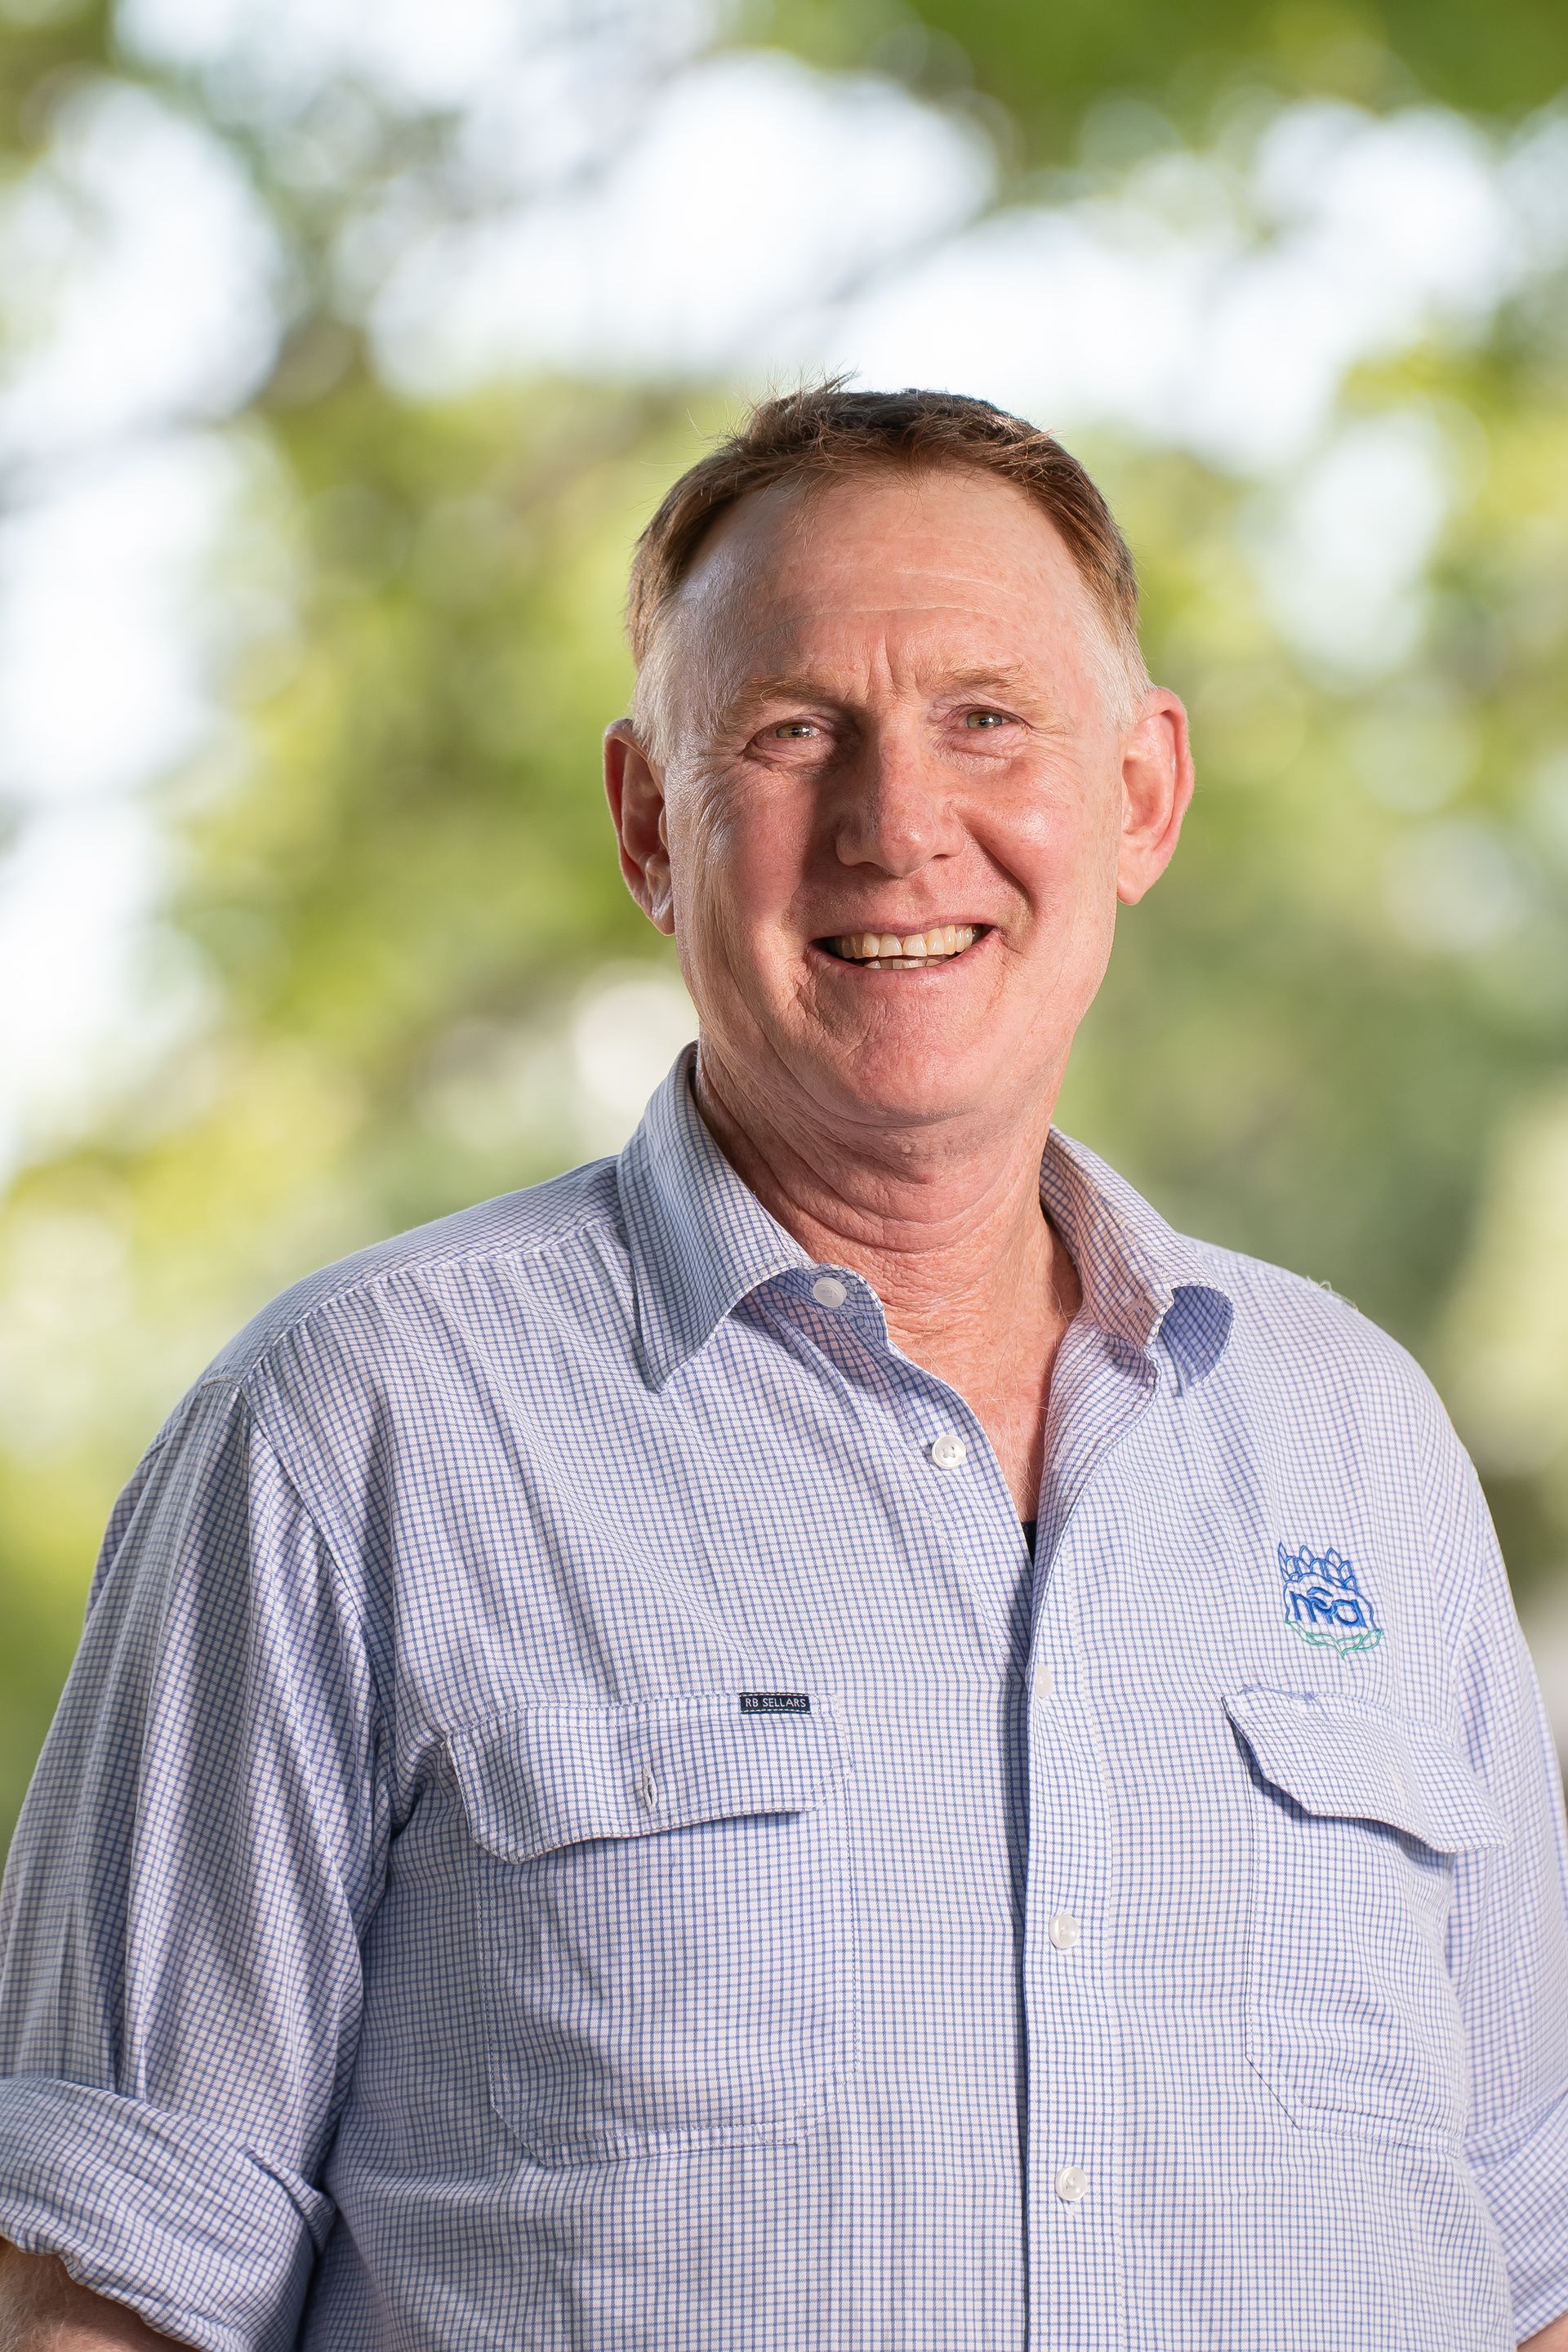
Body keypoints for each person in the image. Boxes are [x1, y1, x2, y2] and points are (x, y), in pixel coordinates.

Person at [1, 383, 1565, 2352]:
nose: (898, 824)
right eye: (792, 732)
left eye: (987, 720)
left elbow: (1532, 2269)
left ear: (1145, 796)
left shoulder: (1360, 1444)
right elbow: (102, 2304)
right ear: (653, 821)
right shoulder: (347, 1439)